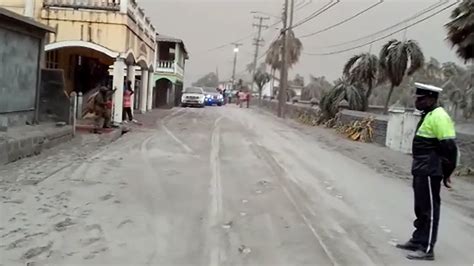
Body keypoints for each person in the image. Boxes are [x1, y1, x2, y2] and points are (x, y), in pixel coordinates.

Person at [396, 83, 458, 261]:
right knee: (421, 208)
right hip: (421, 168)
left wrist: (446, 174)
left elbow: (450, 149)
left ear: (431, 99)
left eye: (420, 99)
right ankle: (418, 240)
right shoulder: (428, 114)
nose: (417, 101)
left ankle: (428, 249)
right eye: (417, 98)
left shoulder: (439, 116)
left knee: (430, 210)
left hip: (431, 170)